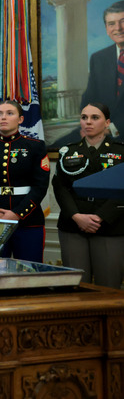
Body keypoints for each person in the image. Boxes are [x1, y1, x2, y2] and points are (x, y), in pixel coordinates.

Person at [53, 103, 124, 288]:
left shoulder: (120, 151)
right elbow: (60, 188)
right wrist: (77, 217)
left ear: (107, 122)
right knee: (75, 286)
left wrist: (100, 217)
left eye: (95, 117)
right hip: (73, 225)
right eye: (84, 117)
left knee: (108, 286)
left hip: (110, 226)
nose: (88, 122)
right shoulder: (68, 151)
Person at [0, 100, 49, 262]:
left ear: (20, 119)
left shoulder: (35, 146)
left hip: (28, 220)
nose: (3, 118)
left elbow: (40, 186)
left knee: (29, 270)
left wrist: (17, 214)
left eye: (10, 113)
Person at [81, 0, 124, 134]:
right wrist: (88, 124)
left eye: (123, 21)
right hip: (100, 131)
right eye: (111, 24)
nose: (118, 28)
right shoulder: (98, 58)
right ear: (107, 29)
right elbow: (89, 98)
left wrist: (112, 129)